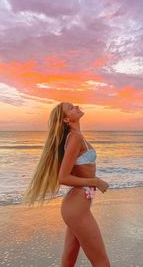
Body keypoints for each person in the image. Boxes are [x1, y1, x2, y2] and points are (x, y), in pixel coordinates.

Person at [23, 102, 110, 267]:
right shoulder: (75, 137)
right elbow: (63, 178)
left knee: (68, 261)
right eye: (71, 108)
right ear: (65, 119)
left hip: (76, 207)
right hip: (76, 209)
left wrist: (92, 187)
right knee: (102, 263)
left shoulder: (76, 136)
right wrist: (96, 182)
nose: (76, 106)